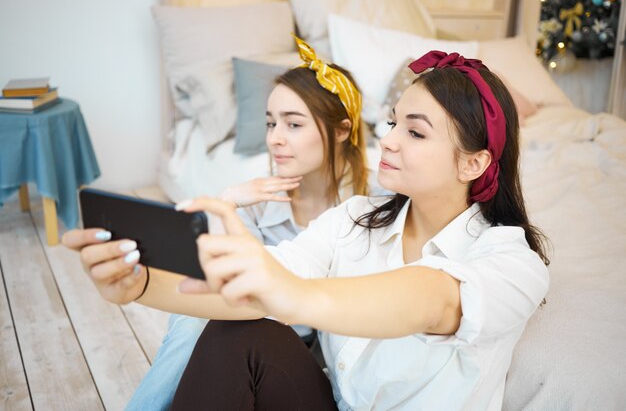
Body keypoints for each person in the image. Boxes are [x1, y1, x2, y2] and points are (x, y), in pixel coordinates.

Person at [64, 50, 550, 411]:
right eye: (392, 123)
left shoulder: (512, 261)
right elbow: (271, 274)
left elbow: (435, 298)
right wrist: (141, 284)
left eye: (415, 132)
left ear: (474, 162)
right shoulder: (355, 218)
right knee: (235, 333)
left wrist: (292, 295)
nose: (389, 140)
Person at [115, 36, 371, 411]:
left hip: (324, 365)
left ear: (342, 130)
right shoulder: (256, 199)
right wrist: (227, 203)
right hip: (256, 339)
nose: (275, 139)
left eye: (293, 124)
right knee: (194, 320)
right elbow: (219, 285)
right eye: (270, 124)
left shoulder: (372, 205)